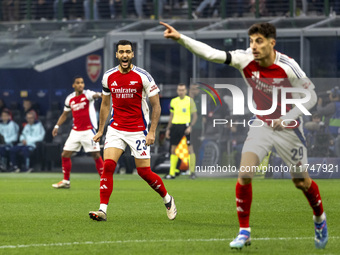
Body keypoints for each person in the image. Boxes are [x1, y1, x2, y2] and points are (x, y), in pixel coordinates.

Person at [160, 21, 328, 249]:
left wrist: (288, 117)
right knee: (245, 174)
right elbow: (211, 54)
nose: (254, 46)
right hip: (261, 124)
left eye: (259, 41)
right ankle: (244, 231)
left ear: (272, 43)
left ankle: (319, 219)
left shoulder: (288, 66)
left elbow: (312, 96)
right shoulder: (244, 58)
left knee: (301, 182)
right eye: (251, 41)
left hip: (289, 129)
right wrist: (181, 38)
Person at [89, 40, 177, 222]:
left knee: (144, 172)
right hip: (116, 128)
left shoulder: (143, 76)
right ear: (116, 55)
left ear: (132, 54)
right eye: (121, 52)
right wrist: (100, 130)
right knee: (108, 166)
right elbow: (105, 104)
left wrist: (152, 132)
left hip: (138, 131)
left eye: (128, 52)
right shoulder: (108, 76)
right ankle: (102, 210)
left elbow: (156, 106)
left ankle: (167, 199)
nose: (124, 55)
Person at [52, 76, 104, 189]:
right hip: (75, 131)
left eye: (82, 82)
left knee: (95, 154)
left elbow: (96, 95)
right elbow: (65, 114)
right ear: (73, 85)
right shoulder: (69, 98)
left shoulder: (88, 94)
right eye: (78, 83)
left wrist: (101, 94)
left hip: (89, 130)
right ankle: (66, 181)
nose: (80, 84)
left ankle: (105, 181)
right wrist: (57, 126)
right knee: (65, 154)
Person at [164, 83, 197, 179]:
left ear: (185, 91)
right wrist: (168, 129)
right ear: (177, 91)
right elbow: (171, 116)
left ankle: (192, 172)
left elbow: (195, 116)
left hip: (185, 126)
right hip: (175, 126)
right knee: (173, 149)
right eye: (179, 90)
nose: (181, 92)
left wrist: (190, 126)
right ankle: (172, 173)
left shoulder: (190, 101)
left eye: (182, 90)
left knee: (190, 148)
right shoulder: (174, 101)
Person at [317, 86, 340, 157]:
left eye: (330, 94)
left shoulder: (332, 105)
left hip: (332, 131)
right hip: (337, 131)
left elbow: (321, 111)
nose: (329, 96)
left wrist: (319, 104)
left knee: (334, 151)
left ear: (334, 95)